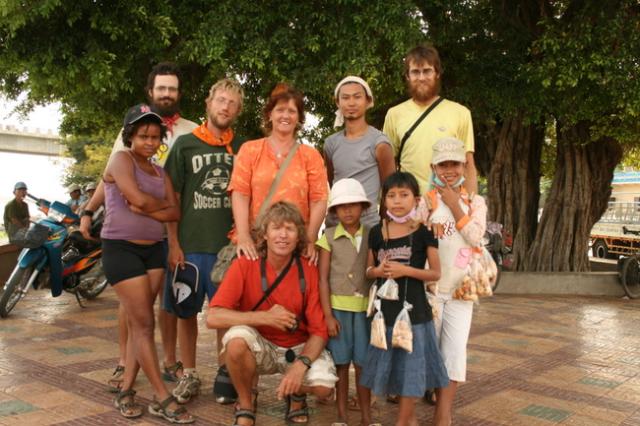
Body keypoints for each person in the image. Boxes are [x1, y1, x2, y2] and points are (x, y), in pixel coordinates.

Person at [80, 62, 198, 391]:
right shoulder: (132, 129)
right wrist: (89, 209)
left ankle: (169, 360)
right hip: (128, 233)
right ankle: (124, 362)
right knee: (133, 306)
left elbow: (180, 193)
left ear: (179, 93)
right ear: (151, 91)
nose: (167, 93)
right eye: (161, 88)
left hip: (169, 232)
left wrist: (160, 211)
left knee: (169, 300)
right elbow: (110, 176)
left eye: (172, 89)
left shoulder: (191, 131)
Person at [100, 103, 192, 423]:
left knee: (142, 324)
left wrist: (147, 210)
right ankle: (162, 396)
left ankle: (126, 390)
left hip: (154, 251)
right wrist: (155, 207)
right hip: (120, 249)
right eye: (143, 136)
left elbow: (175, 213)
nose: (150, 142)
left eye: (155, 136)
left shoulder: (159, 171)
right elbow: (135, 198)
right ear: (130, 136)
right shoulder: (121, 159)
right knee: (143, 324)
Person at [207, 201, 338, 426]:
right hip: (262, 346)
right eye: (276, 228)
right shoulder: (245, 265)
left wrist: (299, 367)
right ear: (265, 233)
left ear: (299, 236)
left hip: (298, 346)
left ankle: (296, 393)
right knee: (235, 342)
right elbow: (213, 317)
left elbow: (319, 330)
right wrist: (263, 317)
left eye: (290, 229)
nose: (283, 235)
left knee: (324, 388)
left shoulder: (307, 268)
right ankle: (246, 403)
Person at [163, 78, 245, 404]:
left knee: (225, 315)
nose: (225, 107)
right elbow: (173, 198)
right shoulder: (184, 145)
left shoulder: (243, 147)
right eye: (221, 100)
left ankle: (226, 374)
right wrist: (172, 243)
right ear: (209, 103)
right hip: (191, 245)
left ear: (238, 111)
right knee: (186, 312)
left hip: (228, 249)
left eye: (232, 103)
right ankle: (190, 374)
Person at [361, 171, 449, 426]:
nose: (397, 201)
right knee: (394, 371)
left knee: (411, 371)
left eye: (404, 195)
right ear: (383, 200)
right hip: (384, 316)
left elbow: (435, 272)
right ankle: (409, 421)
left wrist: (404, 270)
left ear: (416, 199)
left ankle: (402, 422)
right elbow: (369, 271)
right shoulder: (377, 232)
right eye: (391, 195)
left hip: (415, 316)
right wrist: (378, 271)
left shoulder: (424, 232)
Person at [421, 137, 487, 426]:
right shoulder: (424, 202)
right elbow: (413, 235)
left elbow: (476, 238)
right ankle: (429, 399)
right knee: (430, 350)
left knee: (455, 352)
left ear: (464, 165)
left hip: (462, 290)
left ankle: (442, 416)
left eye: (454, 164)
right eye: (443, 164)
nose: (449, 170)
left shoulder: (476, 202)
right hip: (431, 289)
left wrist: (456, 207)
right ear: (433, 166)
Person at [229, 83, 328, 264]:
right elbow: (240, 194)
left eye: (291, 111)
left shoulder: (310, 155)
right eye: (280, 109)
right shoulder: (250, 150)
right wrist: (243, 236)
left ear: (299, 118)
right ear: (270, 114)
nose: (285, 116)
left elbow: (319, 199)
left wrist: (310, 240)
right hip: (255, 246)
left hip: (295, 248)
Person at [316, 178, 376, 426]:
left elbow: (372, 269)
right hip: (338, 312)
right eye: (342, 206)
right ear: (334, 211)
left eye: (353, 205)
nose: (348, 211)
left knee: (363, 366)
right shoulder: (328, 237)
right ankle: (341, 417)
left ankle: (366, 417)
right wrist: (328, 316)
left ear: (363, 207)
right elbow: (322, 279)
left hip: (364, 311)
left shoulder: (373, 235)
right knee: (341, 365)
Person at [383, 45, 477, 194]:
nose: (421, 78)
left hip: (449, 203)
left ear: (437, 73)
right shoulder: (394, 114)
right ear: (407, 76)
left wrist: (471, 205)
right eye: (415, 72)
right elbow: (388, 165)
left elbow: (469, 164)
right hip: (410, 205)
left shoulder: (460, 113)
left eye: (427, 71)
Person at [324, 76, 395, 228]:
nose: (351, 103)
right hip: (335, 227)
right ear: (338, 102)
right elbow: (332, 183)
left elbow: (390, 189)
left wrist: (384, 227)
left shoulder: (379, 143)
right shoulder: (330, 143)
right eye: (345, 98)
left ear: (368, 101)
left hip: (368, 228)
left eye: (357, 97)